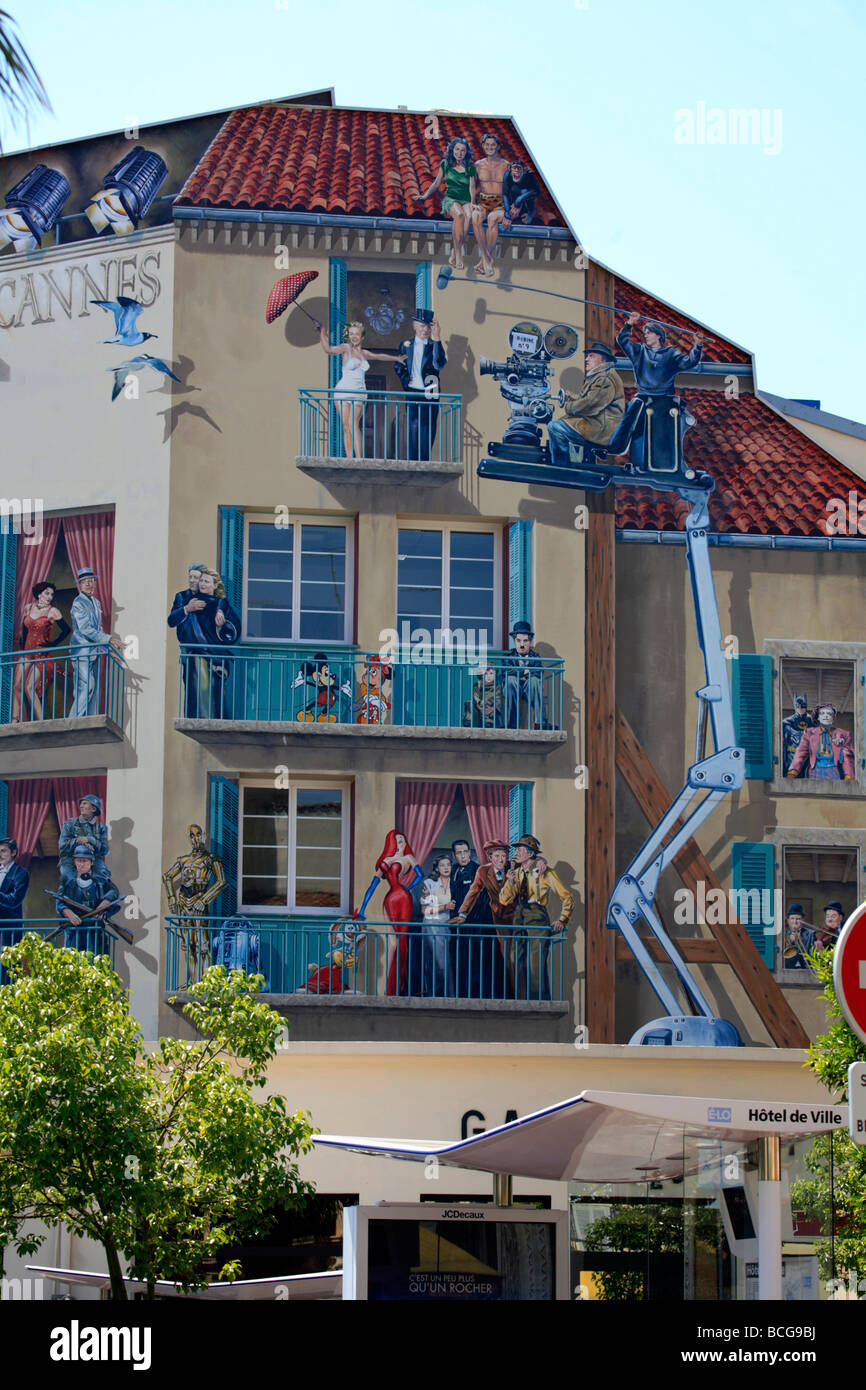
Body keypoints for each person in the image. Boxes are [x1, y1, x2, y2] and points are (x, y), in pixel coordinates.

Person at [616, 312, 703, 472]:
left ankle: (663, 466)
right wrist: (630, 323)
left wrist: (697, 345)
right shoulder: (639, 351)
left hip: (663, 401)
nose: (646, 336)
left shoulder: (671, 354)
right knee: (635, 425)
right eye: (644, 333)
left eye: (649, 333)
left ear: (658, 335)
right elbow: (622, 340)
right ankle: (624, 454)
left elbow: (690, 361)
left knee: (660, 435)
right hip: (643, 398)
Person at [312, 319, 405, 460]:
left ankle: (359, 457)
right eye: (351, 334)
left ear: (362, 337)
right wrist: (322, 330)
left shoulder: (364, 353)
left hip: (359, 393)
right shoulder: (345, 348)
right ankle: (350, 457)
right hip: (343, 391)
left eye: (357, 334)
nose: (354, 336)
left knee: (354, 423)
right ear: (349, 336)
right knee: (346, 425)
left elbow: (379, 356)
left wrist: (397, 358)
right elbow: (328, 349)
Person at [499, 835, 573, 1001]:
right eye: (516, 849)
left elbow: (567, 897)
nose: (516, 852)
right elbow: (504, 900)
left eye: (520, 849)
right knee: (515, 959)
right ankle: (521, 999)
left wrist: (562, 919)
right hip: (519, 916)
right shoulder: (516, 873)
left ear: (530, 853)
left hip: (537, 915)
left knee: (536, 963)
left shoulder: (545, 872)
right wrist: (509, 883)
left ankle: (539, 1001)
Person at [355, 830, 423, 996]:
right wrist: (362, 909)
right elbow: (373, 884)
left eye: (403, 840)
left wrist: (409, 886)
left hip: (404, 898)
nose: (401, 843)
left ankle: (399, 984)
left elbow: (420, 875)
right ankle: (389, 986)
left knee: (402, 941)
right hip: (390, 899)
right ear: (392, 843)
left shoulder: (408, 859)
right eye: (398, 840)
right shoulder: (385, 860)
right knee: (393, 944)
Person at [453, 840, 516, 998]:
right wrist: (462, 914)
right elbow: (473, 891)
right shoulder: (482, 871)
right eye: (497, 856)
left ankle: (515, 994)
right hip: (494, 919)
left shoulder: (513, 868)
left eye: (503, 856)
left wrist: (511, 879)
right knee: (495, 959)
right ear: (490, 857)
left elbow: (530, 865)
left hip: (512, 917)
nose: (501, 859)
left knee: (512, 959)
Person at [547, 342, 626, 468]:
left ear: (602, 359)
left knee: (555, 427)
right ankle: (581, 462)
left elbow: (589, 405)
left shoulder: (605, 379)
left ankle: (560, 466)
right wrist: (572, 397)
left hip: (600, 431)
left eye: (591, 356)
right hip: (599, 425)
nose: (586, 359)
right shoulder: (601, 375)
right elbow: (589, 397)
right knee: (567, 424)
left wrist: (569, 407)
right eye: (587, 356)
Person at [11, 581, 70, 723]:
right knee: (17, 685)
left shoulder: (53, 611)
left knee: (29, 687)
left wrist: (52, 643)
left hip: (41, 654)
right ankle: (14, 719)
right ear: (39, 594)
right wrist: (23, 646)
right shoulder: (28, 608)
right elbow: (25, 629)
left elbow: (66, 630)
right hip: (27, 652)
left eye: (51, 594)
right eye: (47, 593)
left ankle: (40, 720)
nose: (50, 597)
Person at [393, 309, 447, 462]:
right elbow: (398, 366)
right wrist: (406, 383)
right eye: (422, 326)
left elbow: (439, 364)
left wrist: (437, 340)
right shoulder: (405, 345)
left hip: (430, 389)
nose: (425, 329)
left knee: (428, 425)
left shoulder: (433, 345)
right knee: (413, 425)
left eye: (428, 326)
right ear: (415, 326)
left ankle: (424, 460)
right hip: (412, 390)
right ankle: (413, 459)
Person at [69, 567, 121, 717]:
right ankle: (74, 720)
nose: (89, 585)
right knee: (86, 687)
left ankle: (88, 720)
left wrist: (108, 649)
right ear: (80, 584)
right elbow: (85, 629)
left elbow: (97, 629)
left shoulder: (96, 603)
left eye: (91, 581)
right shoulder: (78, 603)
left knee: (94, 690)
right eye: (86, 582)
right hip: (82, 652)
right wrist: (109, 639)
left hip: (94, 651)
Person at [420, 137, 477, 270]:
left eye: (463, 150)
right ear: (452, 150)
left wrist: (473, 203)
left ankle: (454, 250)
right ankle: (458, 254)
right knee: (460, 216)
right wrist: (425, 195)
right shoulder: (445, 164)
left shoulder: (470, 168)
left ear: (466, 153)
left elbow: (472, 188)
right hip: (451, 199)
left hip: (466, 199)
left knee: (468, 217)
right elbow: (436, 183)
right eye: (457, 149)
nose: (459, 152)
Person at [55, 843, 120, 953]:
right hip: (74, 933)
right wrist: (68, 913)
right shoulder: (68, 881)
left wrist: (105, 902)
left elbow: (114, 891)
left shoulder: (101, 880)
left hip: (95, 934)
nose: (81, 864)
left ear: (92, 862)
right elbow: (59, 901)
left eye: (85, 861)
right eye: (79, 861)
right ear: (74, 862)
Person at [194, 567, 241, 719]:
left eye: (206, 581)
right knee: (202, 688)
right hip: (200, 653)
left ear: (215, 586)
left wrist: (223, 621)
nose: (202, 584)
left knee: (217, 688)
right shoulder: (192, 602)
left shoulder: (221, 604)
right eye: (201, 580)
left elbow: (233, 631)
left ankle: (218, 717)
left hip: (217, 656)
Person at [167, 563, 209, 717]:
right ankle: (192, 717)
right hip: (189, 649)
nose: (192, 580)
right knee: (191, 685)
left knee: (206, 687)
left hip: (206, 650)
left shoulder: (209, 597)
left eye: (196, 578)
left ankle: (205, 717)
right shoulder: (181, 597)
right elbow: (171, 621)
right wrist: (186, 609)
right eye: (190, 577)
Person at [470, 132, 511, 277]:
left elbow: (512, 189)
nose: (490, 147)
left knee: (493, 218)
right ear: (483, 146)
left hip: (500, 203)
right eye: (487, 145)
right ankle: (487, 259)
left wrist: (509, 212)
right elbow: (471, 186)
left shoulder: (506, 166)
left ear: (498, 146)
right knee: (475, 217)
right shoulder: (478, 165)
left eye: (493, 145)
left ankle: (483, 262)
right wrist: (472, 203)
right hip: (483, 202)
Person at [787, 704, 855, 780]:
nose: (826, 716)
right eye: (822, 713)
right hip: (814, 772)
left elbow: (848, 758)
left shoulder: (844, 734)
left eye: (829, 714)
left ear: (833, 717)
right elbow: (801, 753)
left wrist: (849, 775)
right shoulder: (809, 733)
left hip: (833, 772)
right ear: (818, 717)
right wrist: (793, 772)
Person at [420, 854, 456, 997]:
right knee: (439, 963)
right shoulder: (430, 884)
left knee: (446, 962)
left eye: (448, 865)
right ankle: (440, 995)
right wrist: (445, 906)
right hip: (433, 925)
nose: (446, 868)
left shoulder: (455, 882)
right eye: (442, 865)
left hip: (448, 926)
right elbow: (425, 910)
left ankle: (447, 995)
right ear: (437, 868)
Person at [58, 793, 109, 887]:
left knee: (104, 876)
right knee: (67, 877)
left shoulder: (101, 827)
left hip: (93, 860)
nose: (81, 806)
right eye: (81, 804)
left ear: (93, 809)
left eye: (85, 803)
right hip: (71, 858)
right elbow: (62, 845)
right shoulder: (70, 824)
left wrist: (90, 840)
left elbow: (105, 850)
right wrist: (78, 841)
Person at [503, 621, 545, 730]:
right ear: (514, 641)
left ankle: (539, 722)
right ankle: (511, 724)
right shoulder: (508, 656)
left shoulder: (535, 657)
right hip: (513, 687)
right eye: (518, 641)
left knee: (535, 681)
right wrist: (525, 672)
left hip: (529, 687)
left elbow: (539, 672)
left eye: (525, 641)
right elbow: (507, 672)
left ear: (530, 642)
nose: (522, 645)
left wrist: (519, 673)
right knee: (511, 680)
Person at [0, 837, 30, 984]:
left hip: (8, 929)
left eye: (3, 851)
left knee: (7, 970)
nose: (0, 854)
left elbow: (14, 900)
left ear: (13, 852)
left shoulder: (20, 873)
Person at [782, 695, 814, 777]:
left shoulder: (812, 721)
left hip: (806, 756)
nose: (801, 709)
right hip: (792, 755)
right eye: (798, 706)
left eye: (803, 706)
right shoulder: (787, 722)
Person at [502, 159, 540, 225]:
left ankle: (529, 214)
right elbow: (505, 194)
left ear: (524, 170)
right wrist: (507, 213)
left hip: (526, 196)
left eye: (519, 168)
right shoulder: (507, 175)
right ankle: (514, 213)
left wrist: (519, 200)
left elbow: (537, 191)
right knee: (513, 190)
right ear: (510, 169)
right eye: (514, 168)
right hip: (514, 195)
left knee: (524, 191)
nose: (516, 170)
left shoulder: (529, 175)